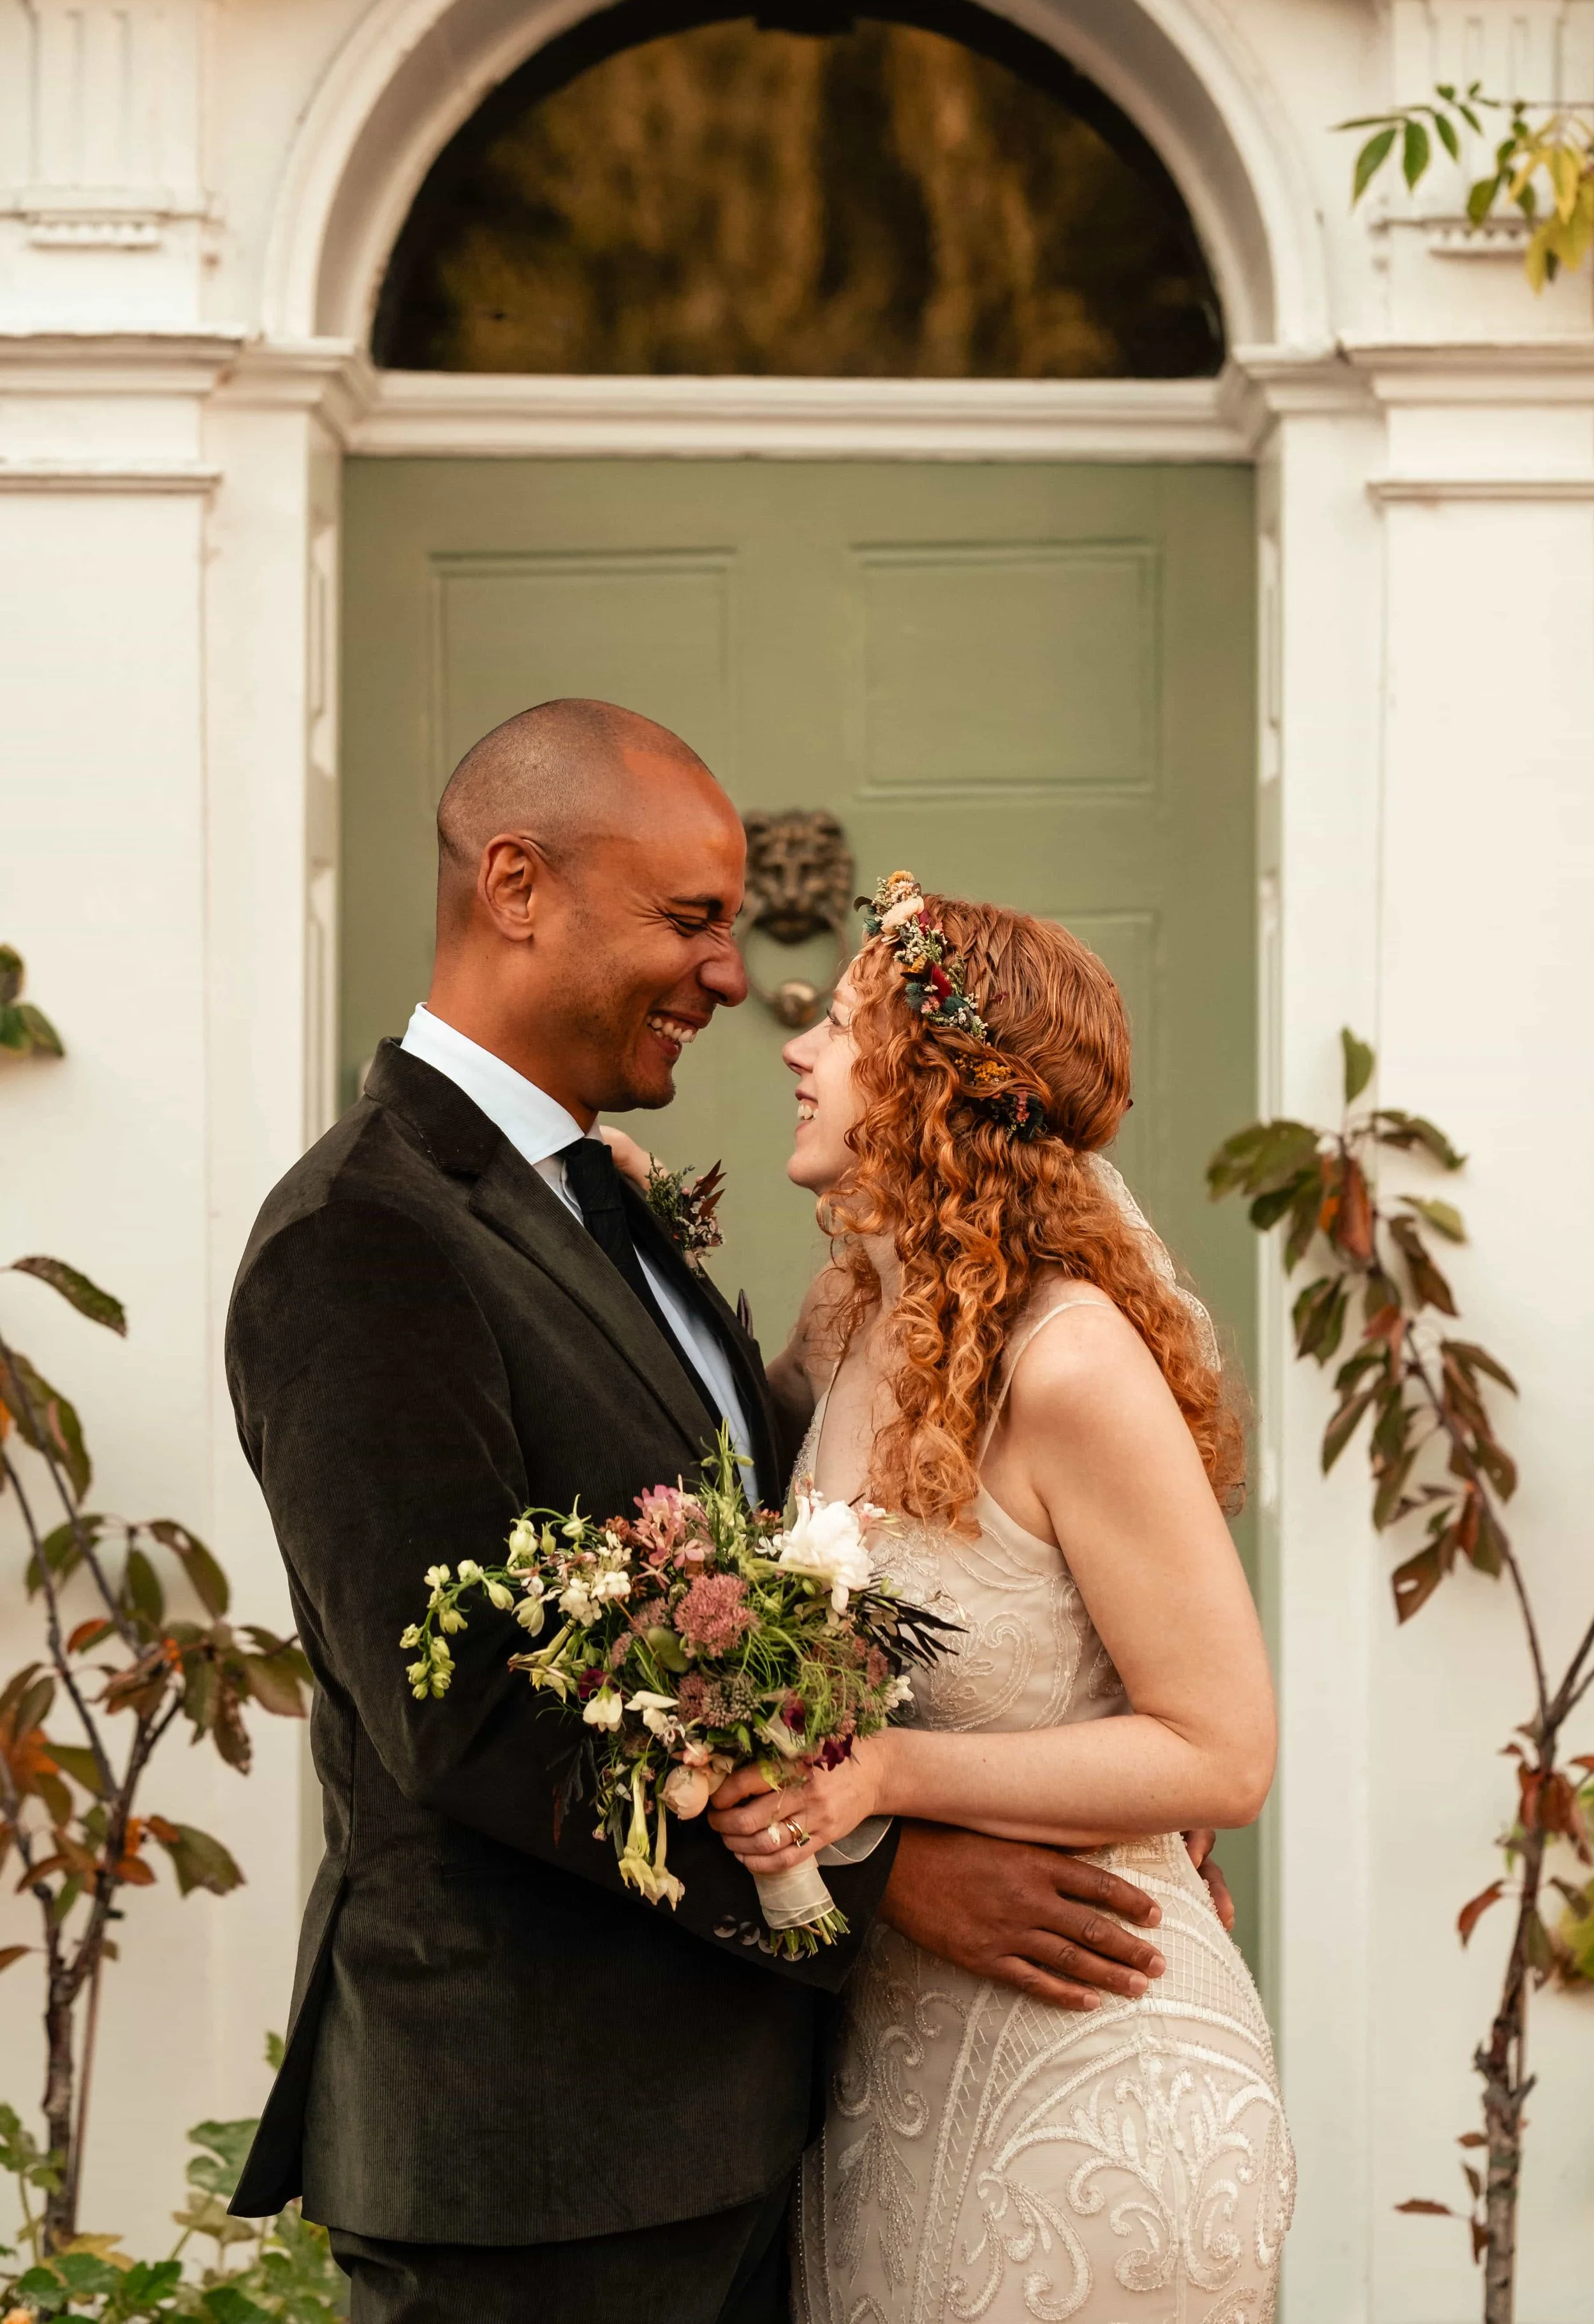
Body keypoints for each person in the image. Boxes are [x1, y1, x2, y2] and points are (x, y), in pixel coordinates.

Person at [223, 706, 1178, 2324]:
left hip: (753, 2128)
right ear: (515, 886)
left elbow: (802, 1567)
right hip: (533, 2159)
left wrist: (1091, 1735)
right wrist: (879, 1880)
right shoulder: (364, 1234)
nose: (733, 981)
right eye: (691, 921)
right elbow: (459, 1717)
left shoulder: (607, 1199)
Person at [702, 881, 1296, 2321]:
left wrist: (889, 1772)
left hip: (1102, 2089)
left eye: (839, 1030)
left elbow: (1220, 1752)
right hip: (890, 2078)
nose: (796, 1051)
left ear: (927, 1082)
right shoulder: (851, 1316)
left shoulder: (1068, 1360)